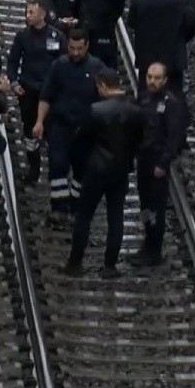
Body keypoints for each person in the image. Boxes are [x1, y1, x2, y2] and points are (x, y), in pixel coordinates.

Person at [64, 71, 145, 277]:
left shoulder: (96, 110)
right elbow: (138, 140)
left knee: (84, 216)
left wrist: (81, 162)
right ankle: (110, 265)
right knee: (116, 216)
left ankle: (75, 263)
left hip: (96, 169)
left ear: (102, 85)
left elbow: (80, 140)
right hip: (120, 170)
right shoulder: (135, 110)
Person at [34, 29, 105, 220]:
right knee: (57, 164)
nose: (75, 52)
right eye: (72, 48)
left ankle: (75, 207)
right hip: (61, 124)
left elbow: (105, 98)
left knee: (81, 169)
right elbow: (46, 96)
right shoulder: (58, 66)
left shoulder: (97, 67)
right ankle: (58, 207)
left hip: (85, 129)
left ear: (87, 46)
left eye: (79, 49)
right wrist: (39, 121)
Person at [133, 62, 187, 267]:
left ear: (164, 80)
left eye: (156, 78)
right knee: (146, 205)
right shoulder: (144, 99)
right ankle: (148, 243)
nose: (152, 81)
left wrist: (163, 163)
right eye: (149, 77)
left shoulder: (171, 103)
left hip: (157, 162)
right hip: (144, 160)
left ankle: (155, 249)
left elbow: (173, 137)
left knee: (156, 207)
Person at [8, 0, 65, 184]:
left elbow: (64, 62)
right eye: (27, 12)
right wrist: (14, 81)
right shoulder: (22, 36)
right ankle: (33, 169)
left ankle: (55, 170)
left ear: (42, 14)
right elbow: (13, 61)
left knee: (53, 132)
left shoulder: (56, 36)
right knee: (29, 132)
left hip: (51, 94)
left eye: (32, 12)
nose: (28, 16)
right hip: (29, 92)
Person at [127, 0, 195, 95]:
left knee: (146, 97)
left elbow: (131, 22)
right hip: (173, 58)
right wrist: (181, 39)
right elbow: (191, 22)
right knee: (173, 99)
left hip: (146, 57)